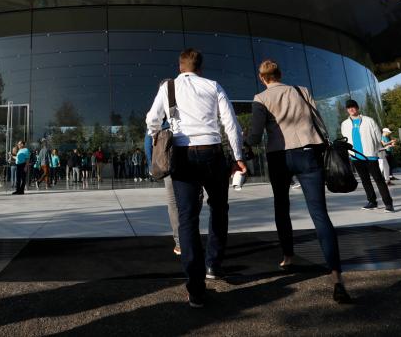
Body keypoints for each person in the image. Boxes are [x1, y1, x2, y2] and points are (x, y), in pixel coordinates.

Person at [146, 48, 245, 308]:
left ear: (180, 67)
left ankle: (196, 287)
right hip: (212, 152)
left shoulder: (168, 87)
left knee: (187, 219)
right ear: (199, 67)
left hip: (182, 154)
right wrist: (237, 156)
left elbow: (152, 120)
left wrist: (157, 135)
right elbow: (230, 124)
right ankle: (213, 263)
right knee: (219, 209)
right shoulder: (213, 86)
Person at [248, 59, 350, 304]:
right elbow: (318, 120)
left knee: (282, 207)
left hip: (278, 156)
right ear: (280, 74)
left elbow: (255, 133)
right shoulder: (301, 91)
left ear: (263, 78)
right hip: (308, 153)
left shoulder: (260, 98)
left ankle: (288, 256)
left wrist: (246, 144)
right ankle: (336, 277)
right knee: (319, 213)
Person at [340, 100, 394, 212]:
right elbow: (345, 139)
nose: (351, 109)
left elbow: (378, 137)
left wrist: (377, 150)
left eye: (353, 107)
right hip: (355, 156)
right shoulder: (344, 124)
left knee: (379, 179)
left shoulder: (369, 120)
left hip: (370, 155)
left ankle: (388, 204)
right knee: (365, 180)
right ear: (347, 110)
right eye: (349, 107)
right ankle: (372, 202)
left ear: (357, 108)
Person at [146, 129, 181, 256]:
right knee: (192, 198)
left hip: (169, 161)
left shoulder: (161, 112)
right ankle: (188, 239)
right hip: (187, 157)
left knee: (173, 202)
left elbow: (148, 138)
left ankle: (180, 243)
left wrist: (152, 164)